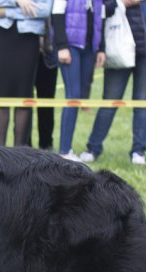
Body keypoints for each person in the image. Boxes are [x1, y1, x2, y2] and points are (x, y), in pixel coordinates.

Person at [80, 0, 146, 166]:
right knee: (110, 100)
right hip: (119, 47)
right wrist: (123, 2)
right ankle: (93, 148)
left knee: (142, 101)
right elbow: (102, 7)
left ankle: (139, 151)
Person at [0, 0, 53, 147]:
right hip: (4, 37)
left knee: (24, 97)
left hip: (29, 40)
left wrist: (8, 12)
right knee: (2, 97)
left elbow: (44, 11)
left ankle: (19, 152)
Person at [51, 0, 105, 161]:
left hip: (89, 48)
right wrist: (61, 46)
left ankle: (68, 148)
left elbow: (99, 20)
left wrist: (101, 48)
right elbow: (57, 14)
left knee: (79, 96)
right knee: (72, 96)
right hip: (69, 46)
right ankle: (64, 151)